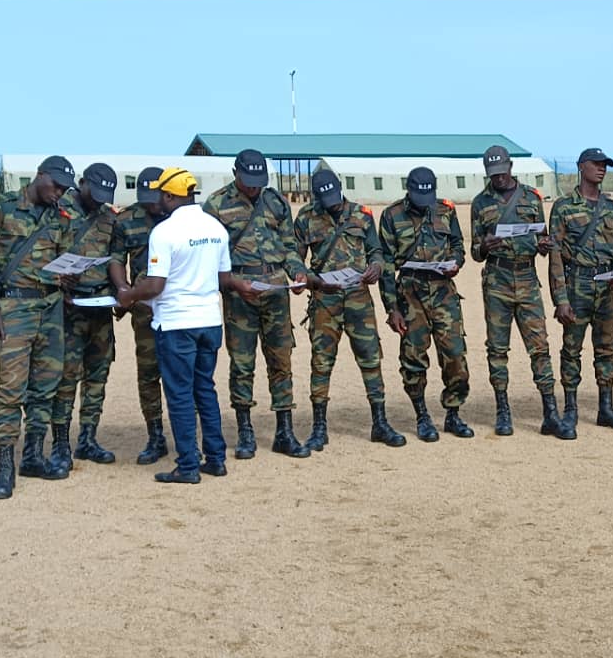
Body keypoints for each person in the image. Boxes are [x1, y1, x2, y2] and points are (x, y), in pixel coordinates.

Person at [118, 167, 255, 484]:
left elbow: (154, 286)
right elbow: (223, 280)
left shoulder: (164, 232)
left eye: (161, 195)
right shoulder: (216, 227)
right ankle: (216, 459)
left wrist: (128, 295)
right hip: (209, 321)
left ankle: (188, 466)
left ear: (169, 194)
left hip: (177, 323)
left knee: (179, 396)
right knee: (205, 389)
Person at [202, 148, 319, 460]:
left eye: (258, 181)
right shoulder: (215, 204)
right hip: (239, 292)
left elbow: (290, 246)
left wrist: (297, 271)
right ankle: (245, 431)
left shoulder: (276, 201)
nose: (253, 186)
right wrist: (232, 284)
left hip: (276, 291)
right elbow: (209, 255)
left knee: (281, 359)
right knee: (242, 363)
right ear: (235, 173)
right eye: (248, 180)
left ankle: (285, 430)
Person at [294, 170, 406, 449]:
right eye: (325, 199)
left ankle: (379, 422)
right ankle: (319, 428)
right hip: (324, 301)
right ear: (315, 196)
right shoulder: (306, 218)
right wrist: (310, 279)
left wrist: (376, 267)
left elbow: (376, 251)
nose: (331, 203)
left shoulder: (362, 215)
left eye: (334, 197)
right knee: (321, 363)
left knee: (371, 359)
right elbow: (295, 261)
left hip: (358, 298)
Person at [469, 145, 571, 439]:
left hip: (526, 279)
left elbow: (543, 239)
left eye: (502, 173)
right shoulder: (480, 203)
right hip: (497, 281)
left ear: (511, 167)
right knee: (497, 349)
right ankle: (503, 410)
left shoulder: (531, 198)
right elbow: (474, 251)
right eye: (493, 174)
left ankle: (550, 412)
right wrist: (483, 247)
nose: (498, 178)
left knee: (539, 347)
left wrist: (542, 247)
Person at [0, 156, 76, 497]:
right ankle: (4, 464)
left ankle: (32, 454)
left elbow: (66, 258)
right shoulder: (4, 208)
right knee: (12, 387)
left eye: (63, 188)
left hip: (51, 306)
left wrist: (70, 275)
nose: (59, 192)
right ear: (39, 176)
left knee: (46, 384)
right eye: (55, 185)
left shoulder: (62, 218)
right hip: (14, 306)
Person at [379, 167, 473, 442]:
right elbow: (385, 265)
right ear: (408, 190)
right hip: (410, 292)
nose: (424, 202)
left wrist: (456, 262)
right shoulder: (392, 215)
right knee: (413, 358)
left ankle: (453, 413)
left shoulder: (445, 210)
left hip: (443, 290)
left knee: (455, 354)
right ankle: (421, 415)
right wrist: (392, 308)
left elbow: (458, 245)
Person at [548, 148, 613, 432]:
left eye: (605, 165)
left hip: (606, 289)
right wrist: (560, 299)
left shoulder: (612, 208)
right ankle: (570, 408)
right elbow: (556, 256)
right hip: (578, 285)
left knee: (607, 347)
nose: (601, 169)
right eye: (596, 164)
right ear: (581, 167)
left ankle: (605, 407)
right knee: (572, 348)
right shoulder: (563, 207)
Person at [49, 163, 120, 473]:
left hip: (100, 307)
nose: (98, 200)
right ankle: (61, 443)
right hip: (68, 308)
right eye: (95, 193)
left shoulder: (108, 217)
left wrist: (120, 292)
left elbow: (115, 258)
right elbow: (39, 254)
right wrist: (56, 278)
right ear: (82, 184)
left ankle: (88, 438)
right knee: (66, 377)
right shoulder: (56, 210)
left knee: (97, 375)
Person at [109, 167, 169, 465]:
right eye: (145, 197)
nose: (150, 204)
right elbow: (118, 259)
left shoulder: (179, 219)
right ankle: (155, 435)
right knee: (148, 373)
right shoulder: (127, 220)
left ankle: (186, 434)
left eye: (155, 196)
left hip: (177, 308)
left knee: (182, 372)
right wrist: (123, 288)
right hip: (143, 310)